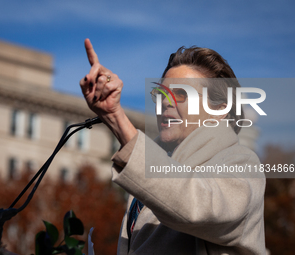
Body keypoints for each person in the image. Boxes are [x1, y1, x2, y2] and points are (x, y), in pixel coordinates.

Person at [80, 39, 266, 254]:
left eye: (181, 94)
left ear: (219, 110)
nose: (166, 102)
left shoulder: (241, 163)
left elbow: (197, 207)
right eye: (162, 94)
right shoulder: (154, 170)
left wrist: (116, 117)